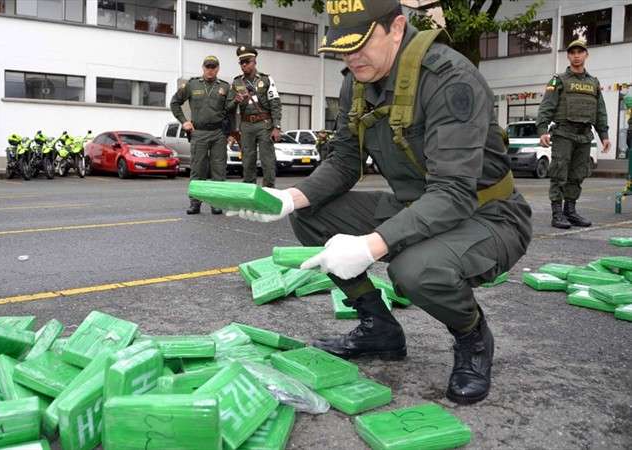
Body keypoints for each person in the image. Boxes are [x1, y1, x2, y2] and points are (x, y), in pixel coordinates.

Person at [225, 0, 532, 405]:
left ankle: (472, 337)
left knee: (414, 272)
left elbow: (454, 193)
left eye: (362, 44)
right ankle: (380, 328)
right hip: (417, 205)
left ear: (398, 28)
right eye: (343, 47)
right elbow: (344, 162)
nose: (351, 57)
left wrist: (370, 245)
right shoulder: (357, 80)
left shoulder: (450, 78)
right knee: (311, 217)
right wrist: (286, 198)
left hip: (487, 213)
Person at [536, 39, 610, 229]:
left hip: (585, 136)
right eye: (572, 52)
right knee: (559, 173)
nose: (576, 56)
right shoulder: (558, 80)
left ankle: (570, 211)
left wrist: (604, 135)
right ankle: (557, 214)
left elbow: (600, 111)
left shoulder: (593, 83)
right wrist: (543, 130)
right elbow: (546, 106)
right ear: (568, 56)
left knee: (577, 175)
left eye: (580, 52)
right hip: (563, 133)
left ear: (586, 55)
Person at [170, 55, 231, 215]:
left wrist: (231, 133)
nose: (210, 70)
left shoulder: (225, 87)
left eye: (213, 67)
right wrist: (184, 121)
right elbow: (174, 102)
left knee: (219, 170)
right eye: (207, 67)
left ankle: (216, 203)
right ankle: (195, 203)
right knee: (198, 169)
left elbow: (231, 112)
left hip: (218, 133)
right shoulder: (191, 85)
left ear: (217, 69)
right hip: (199, 133)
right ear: (203, 68)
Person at [227, 46, 282, 188]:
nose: (244, 65)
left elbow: (275, 103)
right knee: (248, 161)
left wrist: (276, 127)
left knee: (267, 160)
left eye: (247, 61)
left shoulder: (266, 79)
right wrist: (235, 101)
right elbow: (228, 108)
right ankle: (249, 194)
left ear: (254, 61)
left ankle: (269, 192)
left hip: (264, 124)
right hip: (246, 126)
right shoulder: (237, 82)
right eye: (241, 63)